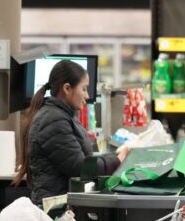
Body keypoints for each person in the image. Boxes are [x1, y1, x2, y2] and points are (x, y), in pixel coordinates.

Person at [13, 60, 126, 204]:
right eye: (84, 89)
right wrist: (117, 160)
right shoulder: (53, 120)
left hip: (63, 204)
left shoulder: (64, 115)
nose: (86, 95)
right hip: (55, 209)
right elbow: (79, 167)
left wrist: (114, 156)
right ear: (67, 88)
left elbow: (80, 157)